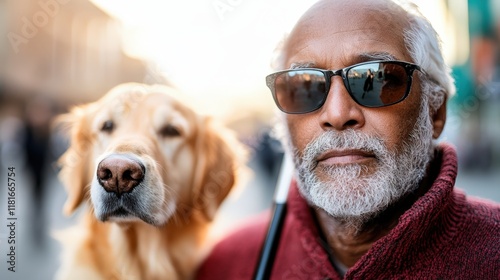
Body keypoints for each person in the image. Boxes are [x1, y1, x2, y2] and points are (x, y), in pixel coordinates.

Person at [196, 0, 500, 279]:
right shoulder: (225, 265)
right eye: (306, 86)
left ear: (435, 111)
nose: (338, 113)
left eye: (376, 79)